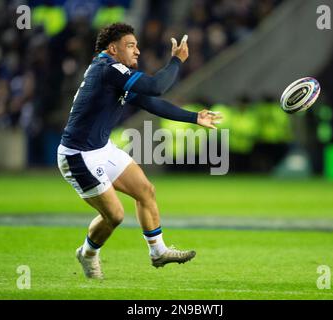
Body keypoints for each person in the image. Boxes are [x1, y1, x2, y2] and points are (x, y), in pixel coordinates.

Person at [57, 23, 222, 279]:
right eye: (131, 46)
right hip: (78, 156)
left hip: (101, 148)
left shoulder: (113, 73)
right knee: (115, 215)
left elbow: (150, 102)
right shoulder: (108, 69)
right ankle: (87, 253)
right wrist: (176, 61)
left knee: (145, 191)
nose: (137, 51)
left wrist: (193, 117)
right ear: (113, 49)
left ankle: (158, 252)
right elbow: (156, 86)